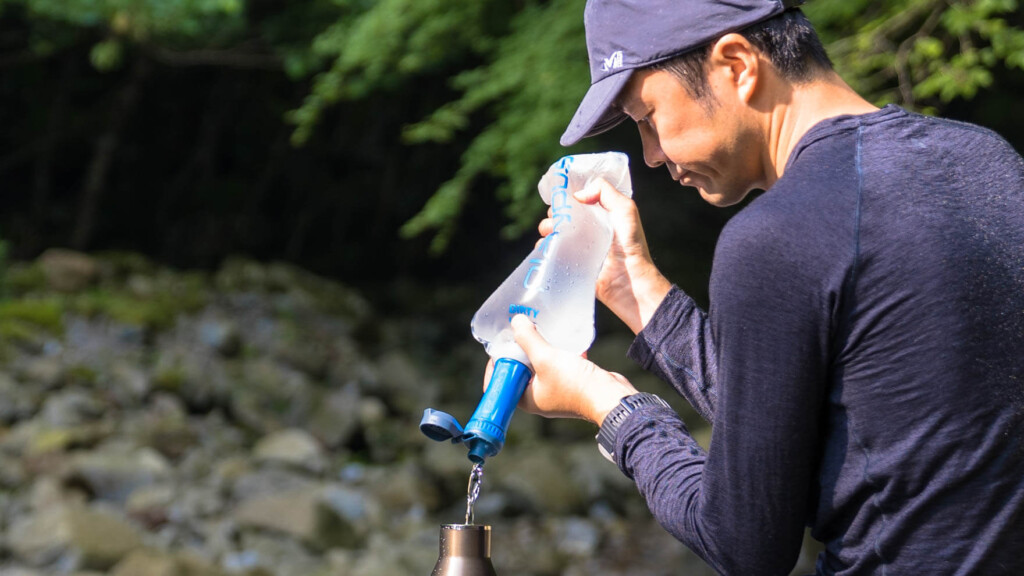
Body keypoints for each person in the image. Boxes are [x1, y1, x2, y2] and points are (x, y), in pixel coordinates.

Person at [496, 0, 1024, 573]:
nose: (650, 156)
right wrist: (633, 285)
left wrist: (612, 407)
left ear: (737, 63)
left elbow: (744, 546)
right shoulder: (988, 162)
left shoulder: (775, 238)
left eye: (647, 117)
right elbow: (812, 430)